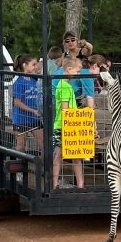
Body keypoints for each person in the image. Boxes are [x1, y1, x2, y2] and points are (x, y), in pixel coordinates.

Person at [52, 57, 84, 190]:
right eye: (77, 71)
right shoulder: (64, 87)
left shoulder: (64, 85)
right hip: (65, 125)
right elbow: (65, 109)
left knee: (69, 155)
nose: (78, 74)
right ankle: (57, 183)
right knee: (62, 155)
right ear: (69, 69)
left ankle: (78, 183)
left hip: (67, 124)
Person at [12, 54, 44, 154]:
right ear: (25, 65)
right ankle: (21, 165)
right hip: (21, 119)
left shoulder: (34, 79)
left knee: (42, 143)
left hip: (35, 118)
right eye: (33, 64)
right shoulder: (19, 82)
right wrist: (33, 110)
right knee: (21, 144)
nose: (35, 67)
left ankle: (44, 166)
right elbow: (17, 102)